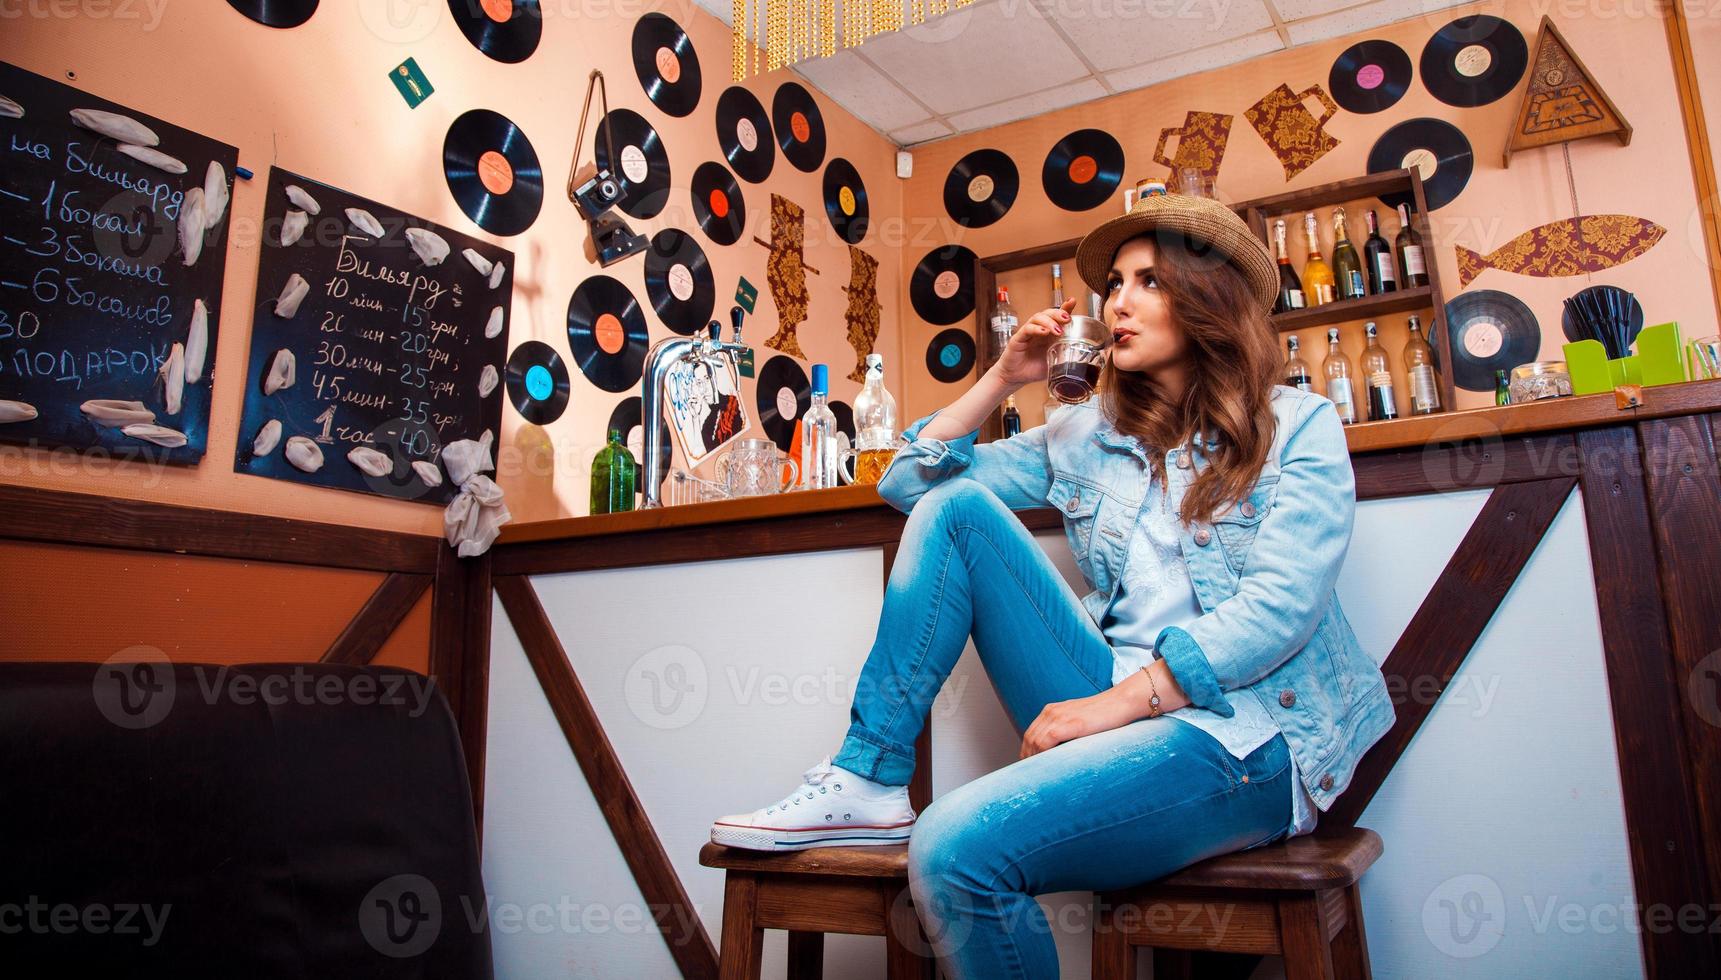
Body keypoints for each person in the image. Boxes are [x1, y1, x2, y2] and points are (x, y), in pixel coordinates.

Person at [708, 192, 1394, 978]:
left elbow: (1280, 611)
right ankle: (868, 775)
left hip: (1249, 735)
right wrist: (1002, 375)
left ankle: (897, 794)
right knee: (955, 506)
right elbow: (905, 482)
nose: (1117, 301)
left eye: (1148, 281)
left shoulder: (1298, 424)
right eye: (1116, 283)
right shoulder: (1084, 433)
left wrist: (1110, 706)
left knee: (954, 849)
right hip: (1114, 695)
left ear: (1210, 300)